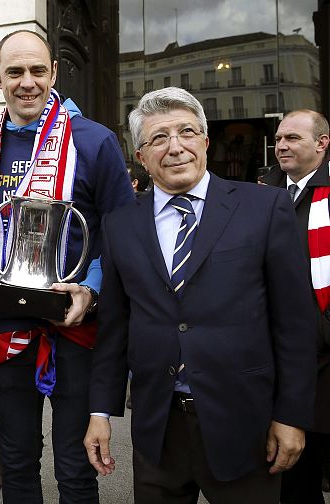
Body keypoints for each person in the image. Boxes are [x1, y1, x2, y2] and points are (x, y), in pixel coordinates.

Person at [84, 87, 317, 503]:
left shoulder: (264, 208)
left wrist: (291, 415)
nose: (175, 147)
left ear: (205, 143)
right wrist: (100, 412)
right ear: (141, 157)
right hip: (158, 429)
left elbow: (295, 324)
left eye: (186, 132)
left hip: (245, 424)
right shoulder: (119, 225)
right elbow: (115, 328)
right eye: (158, 138)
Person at [0, 30, 134, 503]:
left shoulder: (95, 141)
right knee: (17, 463)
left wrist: (92, 288)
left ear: (54, 73)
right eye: (15, 72)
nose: (27, 82)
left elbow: (121, 234)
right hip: (8, 327)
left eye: (38, 70)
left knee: (75, 468)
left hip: (76, 327)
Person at [260, 109, 330, 504]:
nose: (281, 145)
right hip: (281, 356)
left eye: (292, 138)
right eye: (279, 138)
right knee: (293, 478)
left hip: (325, 355)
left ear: (322, 144)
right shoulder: (260, 192)